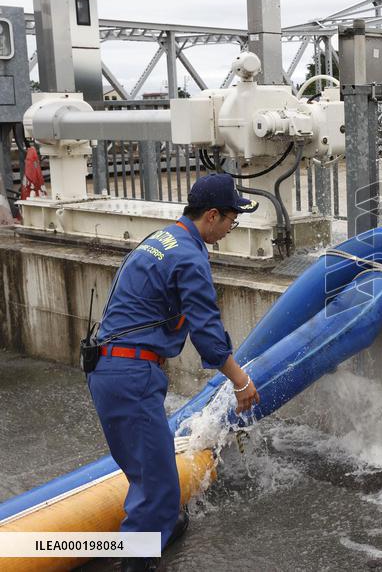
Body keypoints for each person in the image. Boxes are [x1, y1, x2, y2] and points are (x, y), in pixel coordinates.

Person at [87, 173, 262, 571]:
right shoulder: (189, 257)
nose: (233, 226)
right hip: (131, 375)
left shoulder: (162, 239)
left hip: (109, 369)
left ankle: (164, 530)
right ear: (212, 215)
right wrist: (241, 381)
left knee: (150, 478)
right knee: (159, 492)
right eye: (232, 218)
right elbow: (207, 332)